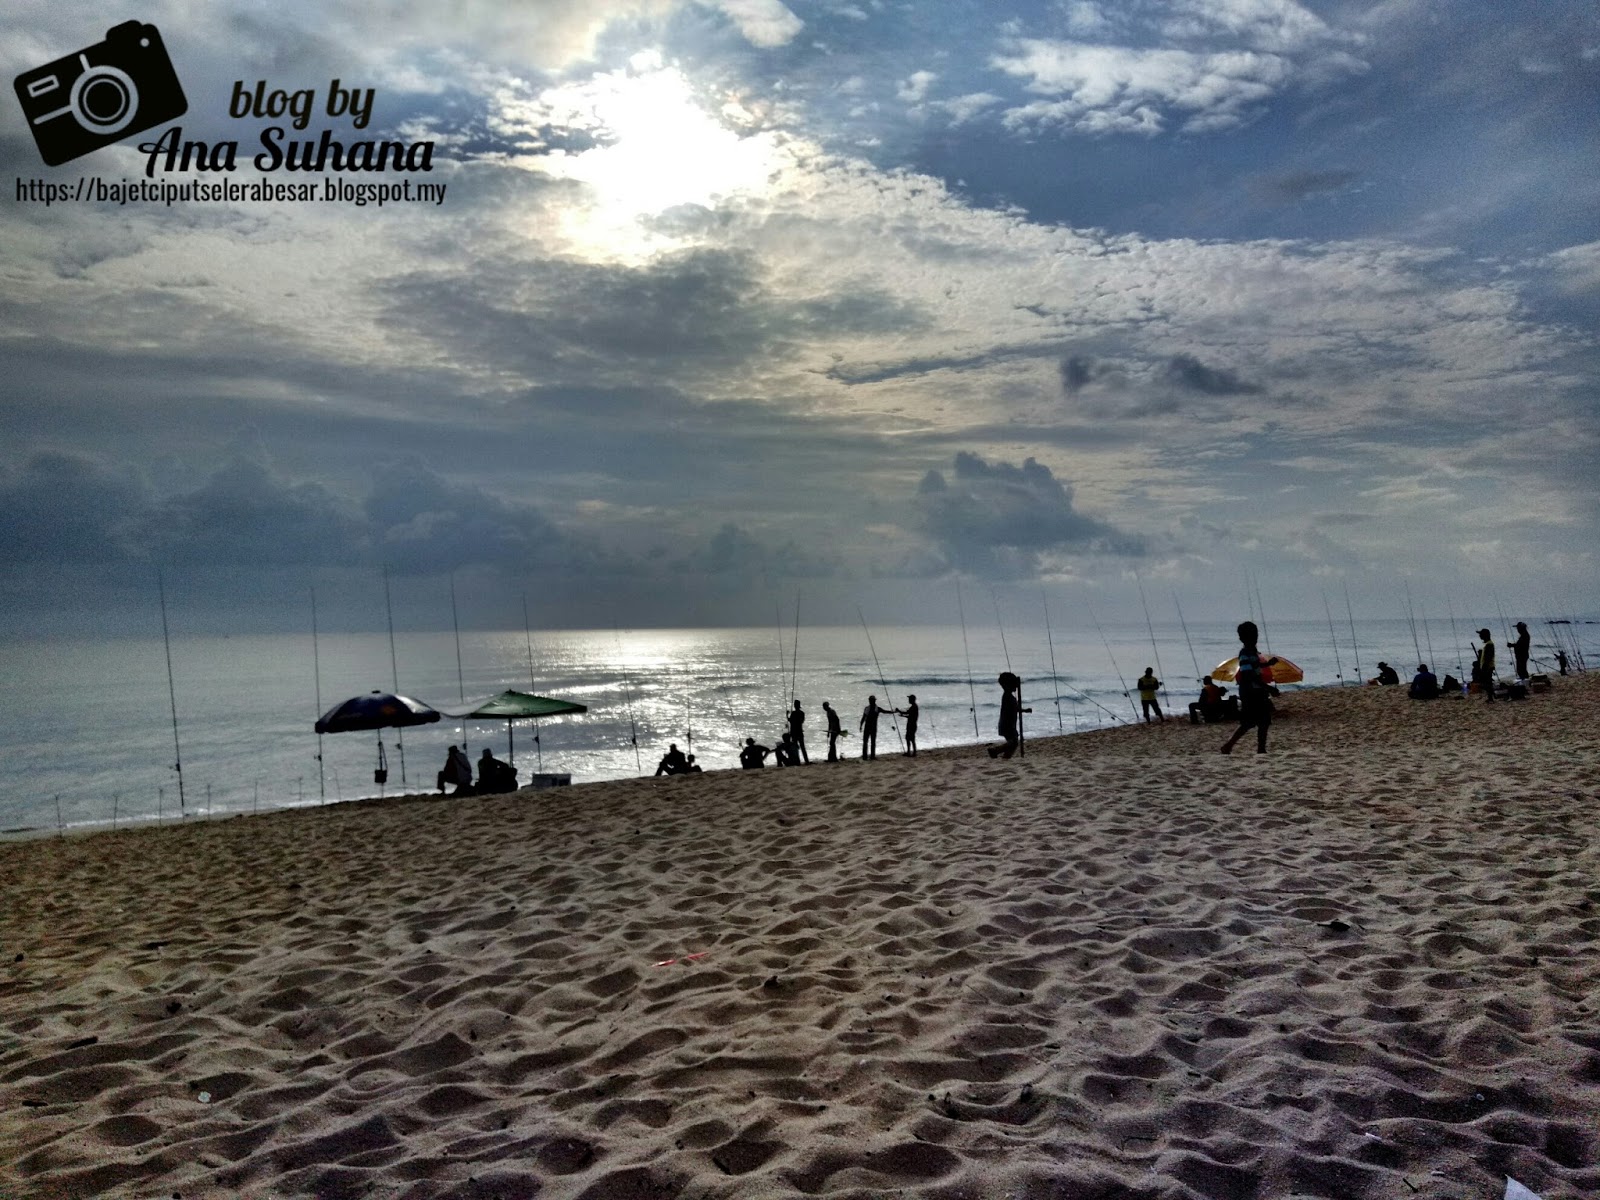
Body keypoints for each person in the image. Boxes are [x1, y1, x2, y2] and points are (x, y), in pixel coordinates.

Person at [1220, 622, 1278, 754]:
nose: (1255, 638)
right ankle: (1229, 746)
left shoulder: (1252, 652)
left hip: (1255, 690)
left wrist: (1268, 663)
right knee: (1249, 722)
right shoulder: (1245, 653)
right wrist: (1269, 688)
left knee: (1263, 721)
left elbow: (1255, 666)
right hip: (1250, 692)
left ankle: (1260, 749)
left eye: (1255, 634)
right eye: (1251, 635)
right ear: (1242, 638)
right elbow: (1249, 675)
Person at [987, 671, 1030, 759]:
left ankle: (1006, 757)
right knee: (1013, 742)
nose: (1016, 687)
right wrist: (1024, 710)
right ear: (1008, 685)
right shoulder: (1007, 696)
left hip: (1009, 724)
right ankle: (995, 750)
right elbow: (1014, 709)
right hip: (1007, 724)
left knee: (1013, 744)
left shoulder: (1008, 696)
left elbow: (1015, 709)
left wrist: (1023, 710)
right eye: (1014, 685)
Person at [859, 695, 886, 760]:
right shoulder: (867, 708)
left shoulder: (877, 709)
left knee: (872, 742)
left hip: (873, 727)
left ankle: (872, 756)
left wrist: (893, 712)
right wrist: (861, 725)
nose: (870, 701)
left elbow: (885, 711)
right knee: (866, 742)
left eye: (872, 700)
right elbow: (863, 717)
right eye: (870, 700)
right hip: (868, 727)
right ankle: (865, 756)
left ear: (874, 701)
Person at [1474, 628, 1496, 704]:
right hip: (1487, 666)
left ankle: (1491, 697)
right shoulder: (1487, 644)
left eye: (1481, 634)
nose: (1480, 636)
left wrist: (1484, 667)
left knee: (1487, 683)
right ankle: (1490, 697)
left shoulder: (1489, 644)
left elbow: (1488, 657)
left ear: (1484, 635)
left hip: (1488, 667)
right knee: (1487, 682)